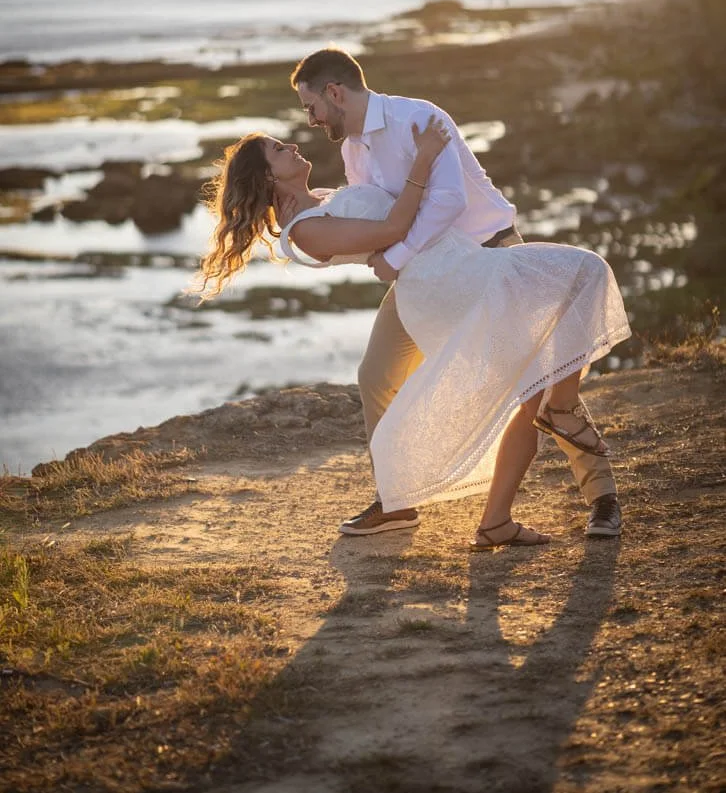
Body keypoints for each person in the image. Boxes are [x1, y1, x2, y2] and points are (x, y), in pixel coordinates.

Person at [195, 120, 631, 550]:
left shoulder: (329, 190)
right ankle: (416, 500)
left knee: (567, 306)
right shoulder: (305, 231)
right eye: (277, 149)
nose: (295, 141)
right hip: (442, 281)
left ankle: (515, 500)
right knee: (565, 304)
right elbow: (391, 230)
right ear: (269, 176)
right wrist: (424, 158)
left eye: (306, 115)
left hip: (458, 261)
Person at [289, 48, 624, 539]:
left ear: (334, 93)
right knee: (376, 374)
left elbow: (448, 200)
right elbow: (381, 217)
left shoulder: (418, 119)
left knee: (534, 382)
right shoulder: (352, 150)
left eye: (310, 106)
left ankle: (602, 498)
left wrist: (395, 258)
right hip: (430, 275)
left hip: (491, 256)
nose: (311, 119)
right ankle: (396, 500)